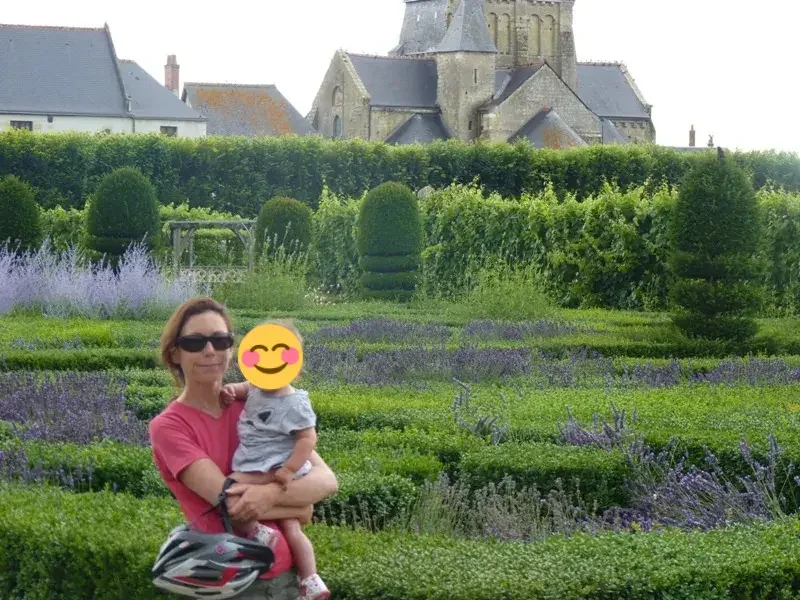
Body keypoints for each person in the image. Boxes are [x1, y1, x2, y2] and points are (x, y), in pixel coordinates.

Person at [148, 297, 338, 600]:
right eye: (195, 342)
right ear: (174, 353)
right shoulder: (170, 426)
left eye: (221, 340)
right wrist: (301, 505)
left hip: (288, 577)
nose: (210, 350)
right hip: (235, 582)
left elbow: (327, 480)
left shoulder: (257, 402)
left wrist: (272, 494)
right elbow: (232, 505)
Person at [219, 319, 329, 599]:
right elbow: (244, 387)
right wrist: (232, 390)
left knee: (230, 490)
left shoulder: (295, 403)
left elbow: (307, 439)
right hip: (260, 462)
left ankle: (260, 532)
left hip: (276, 466)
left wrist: (289, 470)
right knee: (293, 524)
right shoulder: (257, 386)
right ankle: (310, 580)